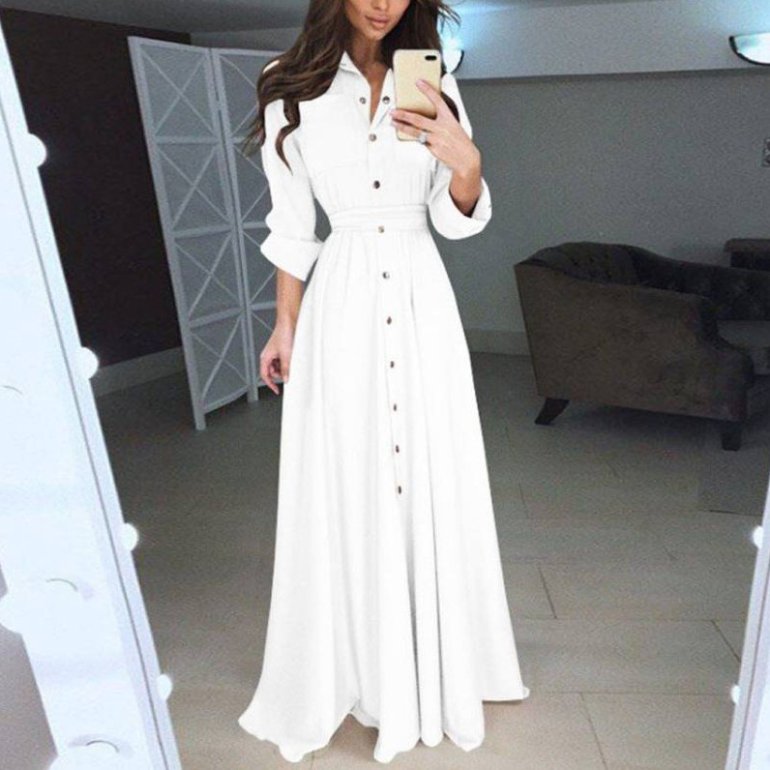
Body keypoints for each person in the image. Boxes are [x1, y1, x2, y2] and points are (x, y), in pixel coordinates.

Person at [237, 0, 529, 763]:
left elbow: (454, 216)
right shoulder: (285, 84)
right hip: (341, 298)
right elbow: (292, 224)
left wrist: (467, 164)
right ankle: (361, 665)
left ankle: (436, 659)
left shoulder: (433, 81)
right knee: (350, 476)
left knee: (432, 472)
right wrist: (285, 324)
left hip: (420, 292)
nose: (381, 4)